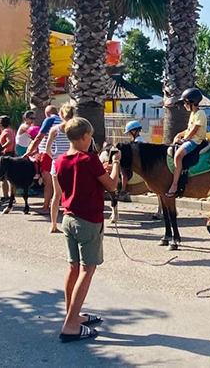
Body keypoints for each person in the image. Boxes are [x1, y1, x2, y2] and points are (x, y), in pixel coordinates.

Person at [53, 117, 121, 343]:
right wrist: (116, 166)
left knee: (73, 268)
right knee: (87, 270)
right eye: (90, 136)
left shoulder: (62, 159)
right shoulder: (89, 159)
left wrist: (100, 172)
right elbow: (112, 185)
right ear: (85, 137)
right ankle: (71, 325)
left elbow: (78, 180)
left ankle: (72, 315)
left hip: (69, 217)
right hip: (88, 220)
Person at [166, 88, 207, 198]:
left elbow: (195, 129)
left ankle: (175, 185)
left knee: (178, 156)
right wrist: (180, 134)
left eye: (185, 102)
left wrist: (185, 139)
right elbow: (189, 129)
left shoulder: (200, 113)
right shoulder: (193, 114)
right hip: (191, 139)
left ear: (191, 102)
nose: (184, 105)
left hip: (195, 141)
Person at [46, 102, 76, 233]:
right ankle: (73, 224)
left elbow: (48, 149)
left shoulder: (55, 129)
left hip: (57, 163)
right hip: (72, 162)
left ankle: (53, 224)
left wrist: (55, 156)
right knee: (73, 193)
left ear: (61, 115)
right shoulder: (76, 129)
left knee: (56, 195)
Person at [25, 105, 61, 215]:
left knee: (48, 181)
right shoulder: (63, 121)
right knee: (59, 181)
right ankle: (57, 204)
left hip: (48, 153)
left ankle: (46, 206)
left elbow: (39, 137)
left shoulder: (49, 120)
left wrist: (30, 151)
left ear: (47, 114)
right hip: (62, 153)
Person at [118, 120, 144, 202]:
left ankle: (123, 190)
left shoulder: (138, 141)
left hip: (138, 162)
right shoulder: (136, 140)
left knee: (123, 171)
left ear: (134, 131)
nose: (129, 134)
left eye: (129, 132)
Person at [0, 115, 16, 207]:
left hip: (6, 154)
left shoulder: (6, 131)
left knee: (3, 178)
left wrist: (1, 148)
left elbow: (10, 141)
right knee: (11, 178)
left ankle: (6, 196)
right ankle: (11, 196)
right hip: (12, 154)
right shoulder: (10, 130)